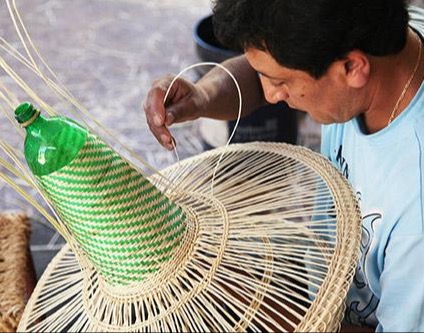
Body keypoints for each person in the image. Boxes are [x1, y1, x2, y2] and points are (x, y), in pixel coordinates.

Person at [143, 0, 424, 331]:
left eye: (280, 82)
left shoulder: (415, 210)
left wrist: (257, 310)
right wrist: (202, 96)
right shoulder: (386, 34)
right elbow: (271, 66)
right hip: (325, 283)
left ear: (352, 68)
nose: (270, 94)